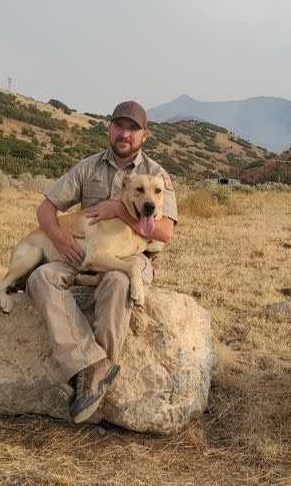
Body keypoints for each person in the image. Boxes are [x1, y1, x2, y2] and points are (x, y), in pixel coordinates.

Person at [26, 100, 178, 423]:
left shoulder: (156, 176)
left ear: (144, 136)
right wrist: (57, 235)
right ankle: (91, 367)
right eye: (119, 126)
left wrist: (119, 209)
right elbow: (45, 208)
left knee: (119, 281)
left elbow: (165, 232)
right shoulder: (87, 168)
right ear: (109, 129)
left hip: (131, 257)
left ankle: (91, 381)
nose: (125, 134)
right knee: (39, 278)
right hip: (79, 255)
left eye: (133, 129)